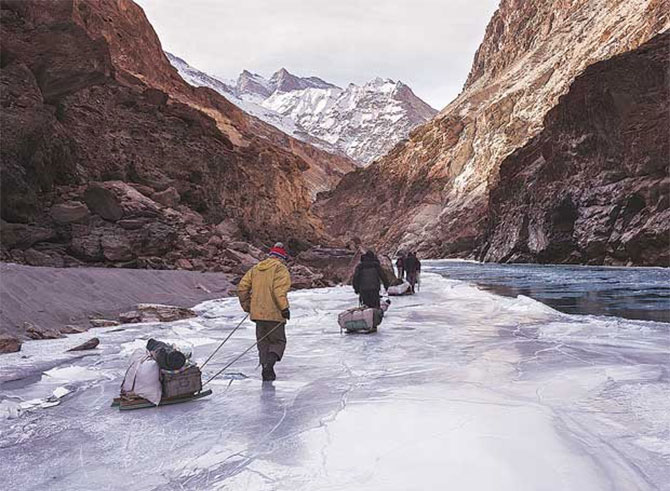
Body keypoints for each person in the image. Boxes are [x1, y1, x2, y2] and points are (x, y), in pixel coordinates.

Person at [237, 242, 291, 382]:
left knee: (263, 343)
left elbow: (242, 287)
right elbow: (279, 290)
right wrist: (284, 308)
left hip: (258, 314)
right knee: (278, 341)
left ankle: (265, 370)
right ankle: (269, 366)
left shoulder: (255, 269)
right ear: (281, 257)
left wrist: (247, 306)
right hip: (274, 314)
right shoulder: (280, 269)